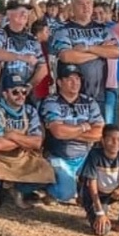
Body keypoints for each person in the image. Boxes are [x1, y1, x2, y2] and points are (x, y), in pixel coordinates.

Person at [0, 74, 55, 210]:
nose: (20, 95)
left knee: (47, 171)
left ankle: (17, 189)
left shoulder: (30, 111)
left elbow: (37, 142)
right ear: (5, 94)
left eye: (23, 91)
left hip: (22, 158)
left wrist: (12, 135)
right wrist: (25, 138)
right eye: (15, 92)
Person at [40, 64, 104, 203]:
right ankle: (50, 188)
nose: (75, 83)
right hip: (59, 156)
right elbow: (58, 132)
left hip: (85, 156)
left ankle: (78, 186)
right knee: (66, 194)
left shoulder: (90, 102)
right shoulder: (51, 102)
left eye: (78, 79)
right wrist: (83, 127)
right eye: (70, 79)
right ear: (59, 82)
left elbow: (100, 133)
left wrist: (69, 132)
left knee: (104, 185)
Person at [52, 0, 119, 107]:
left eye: (89, 3)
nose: (86, 7)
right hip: (70, 97)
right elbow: (67, 56)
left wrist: (87, 48)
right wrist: (100, 51)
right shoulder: (62, 30)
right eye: (81, 4)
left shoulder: (103, 29)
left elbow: (116, 52)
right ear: (72, 7)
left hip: (98, 93)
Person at [0, 2, 47, 102]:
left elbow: (43, 67)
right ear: (9, 14)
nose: (24, 14)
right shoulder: (1, 34)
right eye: (20, 12)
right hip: (4, 94)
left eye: (26, 12)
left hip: (25, 95)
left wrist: (30, 85)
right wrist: (20, 57)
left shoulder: (32, 40)